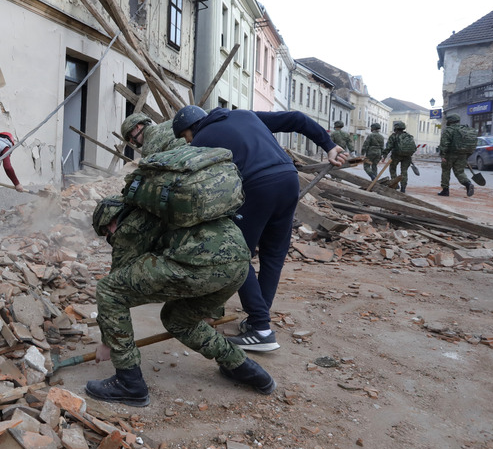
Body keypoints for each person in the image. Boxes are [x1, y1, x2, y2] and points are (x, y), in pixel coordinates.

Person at [85, 145, 277, 407]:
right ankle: (243, 367)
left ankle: (129, 382)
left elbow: (119, 284)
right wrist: (213, 309)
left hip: (198, 265)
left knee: (108, 290)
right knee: (178, 320)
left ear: (110, 222)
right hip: (239, 265)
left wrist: (108, 343)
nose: (111, 238)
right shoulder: (173, 207)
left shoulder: (129, 224)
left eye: (107, 234)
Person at [171, 105, 348, 351]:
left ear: (189, 128)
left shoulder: (201, 141)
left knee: (235, 255)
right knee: (273, 254)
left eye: (184, 136)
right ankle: (256, 323)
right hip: (288, 179)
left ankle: (262, 329)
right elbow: (296, 118)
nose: (187, 141)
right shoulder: (244, 115)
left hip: (257, 186)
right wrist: (329, 145)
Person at [438, 114, 475, 197]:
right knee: (460, 172)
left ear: (450, 121)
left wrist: (443, 155)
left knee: (446, 171)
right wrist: (467, 155)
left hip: (449, 155)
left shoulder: (448, 130)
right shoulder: (465, 129)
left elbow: (444, 143)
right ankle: (468, 184)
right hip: (462, 155)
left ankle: (445, 190)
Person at [120, 112, 185, 157]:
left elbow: (147, 173)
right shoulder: (168, 124)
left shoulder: (148, 147)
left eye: (130, 136)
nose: (131, 141)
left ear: (138, 127)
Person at [381, 121, 415, 193]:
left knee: (392, 169)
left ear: (395, 128)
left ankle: (395, 184)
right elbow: (414, 147)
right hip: (407, 156)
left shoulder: (393, 136)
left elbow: (388, 147)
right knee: (404, 171)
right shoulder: (409, 136)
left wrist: (384, 156)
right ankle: (403, 187)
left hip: (396, 155)